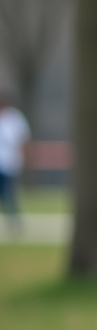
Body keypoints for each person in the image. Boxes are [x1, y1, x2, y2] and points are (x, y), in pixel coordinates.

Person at [0, 91, 31, 233]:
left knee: (8, 193)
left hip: (8, 163)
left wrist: (24, 160)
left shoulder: (15, 118)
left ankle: (14, 224)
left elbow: (22, 140)